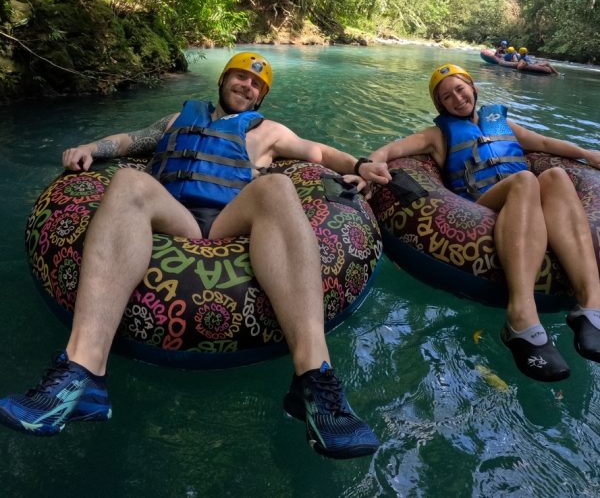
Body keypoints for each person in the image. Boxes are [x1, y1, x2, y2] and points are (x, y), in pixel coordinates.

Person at [0, 52, 390, 458]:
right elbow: (131, 141)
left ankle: (314, 380)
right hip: (173, 215)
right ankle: (82, 374)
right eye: (240, 77)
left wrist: (360, 165)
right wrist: (92, 148)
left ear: (261, 97)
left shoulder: (269, 131)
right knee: (130, 180)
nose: (247, 85)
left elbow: (320, 155)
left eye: (257, 84)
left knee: (277, 188)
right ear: (222, 80)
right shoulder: (176, 118)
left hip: (227, 220)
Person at [365, 63, 600, 382]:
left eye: (460, 89)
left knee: (556, 175)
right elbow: (393, 150)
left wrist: (587, 153)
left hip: (527, 195)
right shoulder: (437, 136)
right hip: (483, 205)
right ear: (441, 105)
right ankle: (521, 318)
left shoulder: (503, 123)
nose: (457, 98)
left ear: (472, 87)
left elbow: (544, 145)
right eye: (447, 97)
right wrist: (369, 165)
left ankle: (591, 309)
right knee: (525, 181)